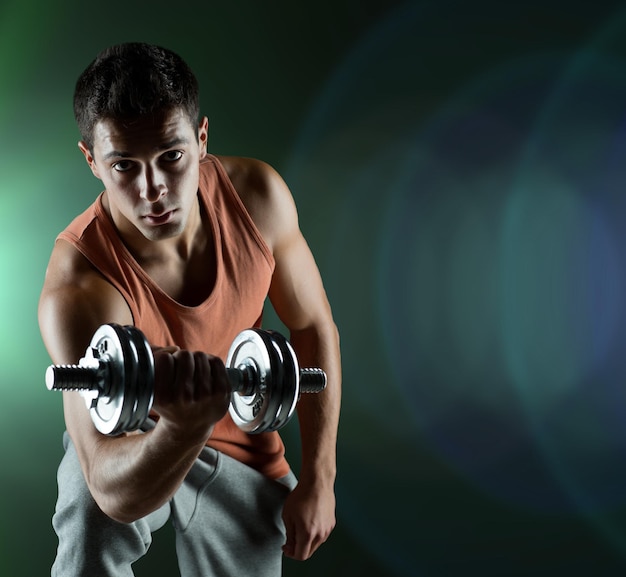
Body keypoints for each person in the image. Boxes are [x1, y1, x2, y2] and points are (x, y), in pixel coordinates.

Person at [38, 42, 341, 576]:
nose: (152, 190)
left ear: (201, 139)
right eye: (124, 165)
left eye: (171, 156)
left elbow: (313, 326)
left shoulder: (257, 200)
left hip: (244, 453)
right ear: (92, 161)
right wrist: (181, 427)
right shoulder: (81, 283)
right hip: (135, 446)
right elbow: (109, 486)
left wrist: (320, 478)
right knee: (89, 516)